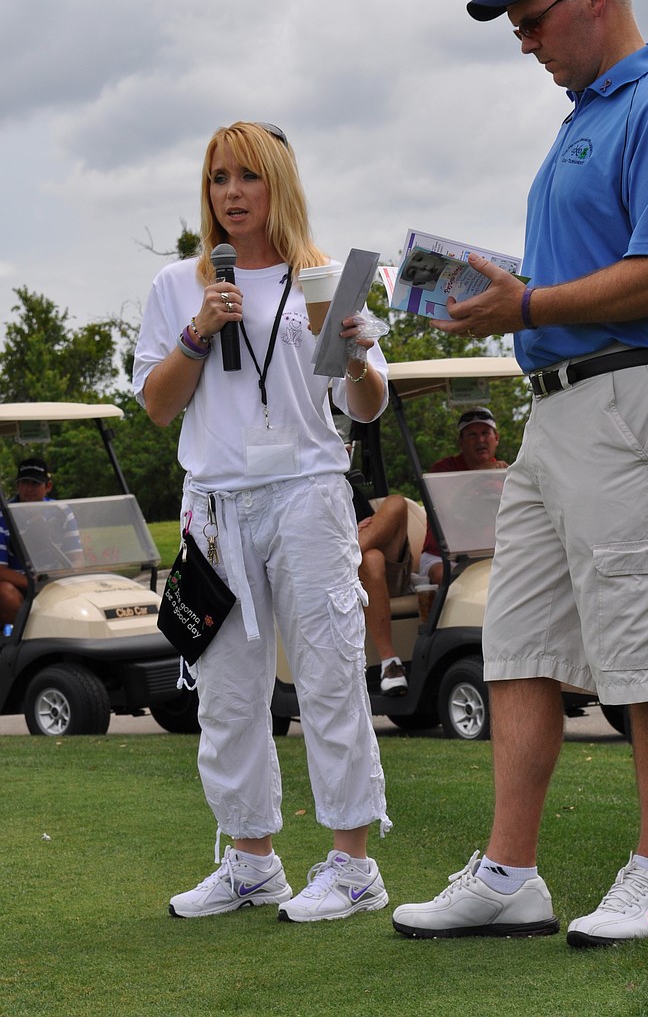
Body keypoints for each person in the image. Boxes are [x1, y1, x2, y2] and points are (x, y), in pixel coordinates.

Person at [392, 0, 648, 947]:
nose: (525, 42)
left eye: (530, 19)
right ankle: (509, 875)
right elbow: (574, 283)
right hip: (562, 407)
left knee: (642, 649)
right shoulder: (583, 118)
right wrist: (514, 304)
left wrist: (525, 307)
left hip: (629, 400)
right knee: (517, 640)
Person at [133, 120, 392, 924]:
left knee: (327, 674)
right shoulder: (180, 285)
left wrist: (350, 349)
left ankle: (352, 864)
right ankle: (252, 860)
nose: (232, 192)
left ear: (277, 182)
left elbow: (366, 403)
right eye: (218, 178)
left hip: (308, 491)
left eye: (247, 176)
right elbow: (156, 404)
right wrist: (198, 332)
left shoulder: (322, 276)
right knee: (227, 692)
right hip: (213, 504)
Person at [418, 407, 508, 586]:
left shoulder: (505, 473)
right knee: (444, 576)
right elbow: (445, 506)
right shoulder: (443, 470)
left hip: (492, 555)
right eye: (472, 435)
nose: (480, 440)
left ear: (496, 438)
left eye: (485, 433)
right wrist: (480, 474)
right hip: (443, 557)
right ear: (461, 442)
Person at [0, 458, 82, 625]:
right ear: (17, 486)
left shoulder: (62, 512)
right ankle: (31, 635)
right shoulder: (4, 515)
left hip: (53, 583)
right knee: (4, 593)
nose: (29, 489)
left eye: (35, 484)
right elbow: (0, 570)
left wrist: (56, 582)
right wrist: (34, 584)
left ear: (48, 487)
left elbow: (77, 559)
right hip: (20, 585)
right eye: (24, 483)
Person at [350, 484, 413, 695]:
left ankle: (347, 552)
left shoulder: (348, 486)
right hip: (345, 581)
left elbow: (375, 528)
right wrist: (347, 534)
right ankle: (389, 662)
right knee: (372, 558)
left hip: (384, 573)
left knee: (396, 501)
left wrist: (357, 539)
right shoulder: (306, 494)